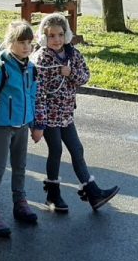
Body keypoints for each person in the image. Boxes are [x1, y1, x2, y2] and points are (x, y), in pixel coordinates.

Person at [30, 13, 119, 211]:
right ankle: (53, 195)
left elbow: (85, 76)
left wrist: (71, 74)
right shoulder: (41, 58)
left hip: (66, 114)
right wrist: (39, 123)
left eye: (60, 34)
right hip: (50, 115)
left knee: (77, 150)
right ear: (44, 36)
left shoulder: (73, 54)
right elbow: (38, 92)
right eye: (51, 35)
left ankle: (93, 193)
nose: (57, 40)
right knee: (56, 151)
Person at [0, 20, 38, 238]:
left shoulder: (31, 68)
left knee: (20, 165)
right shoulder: (0, 69)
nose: (25, 47)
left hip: (22, 125)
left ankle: (19, 202)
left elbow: (32, 95)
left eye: (29, 42)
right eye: (21, 42)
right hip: (3, 126)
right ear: (10, 42)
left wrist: (34, 122)